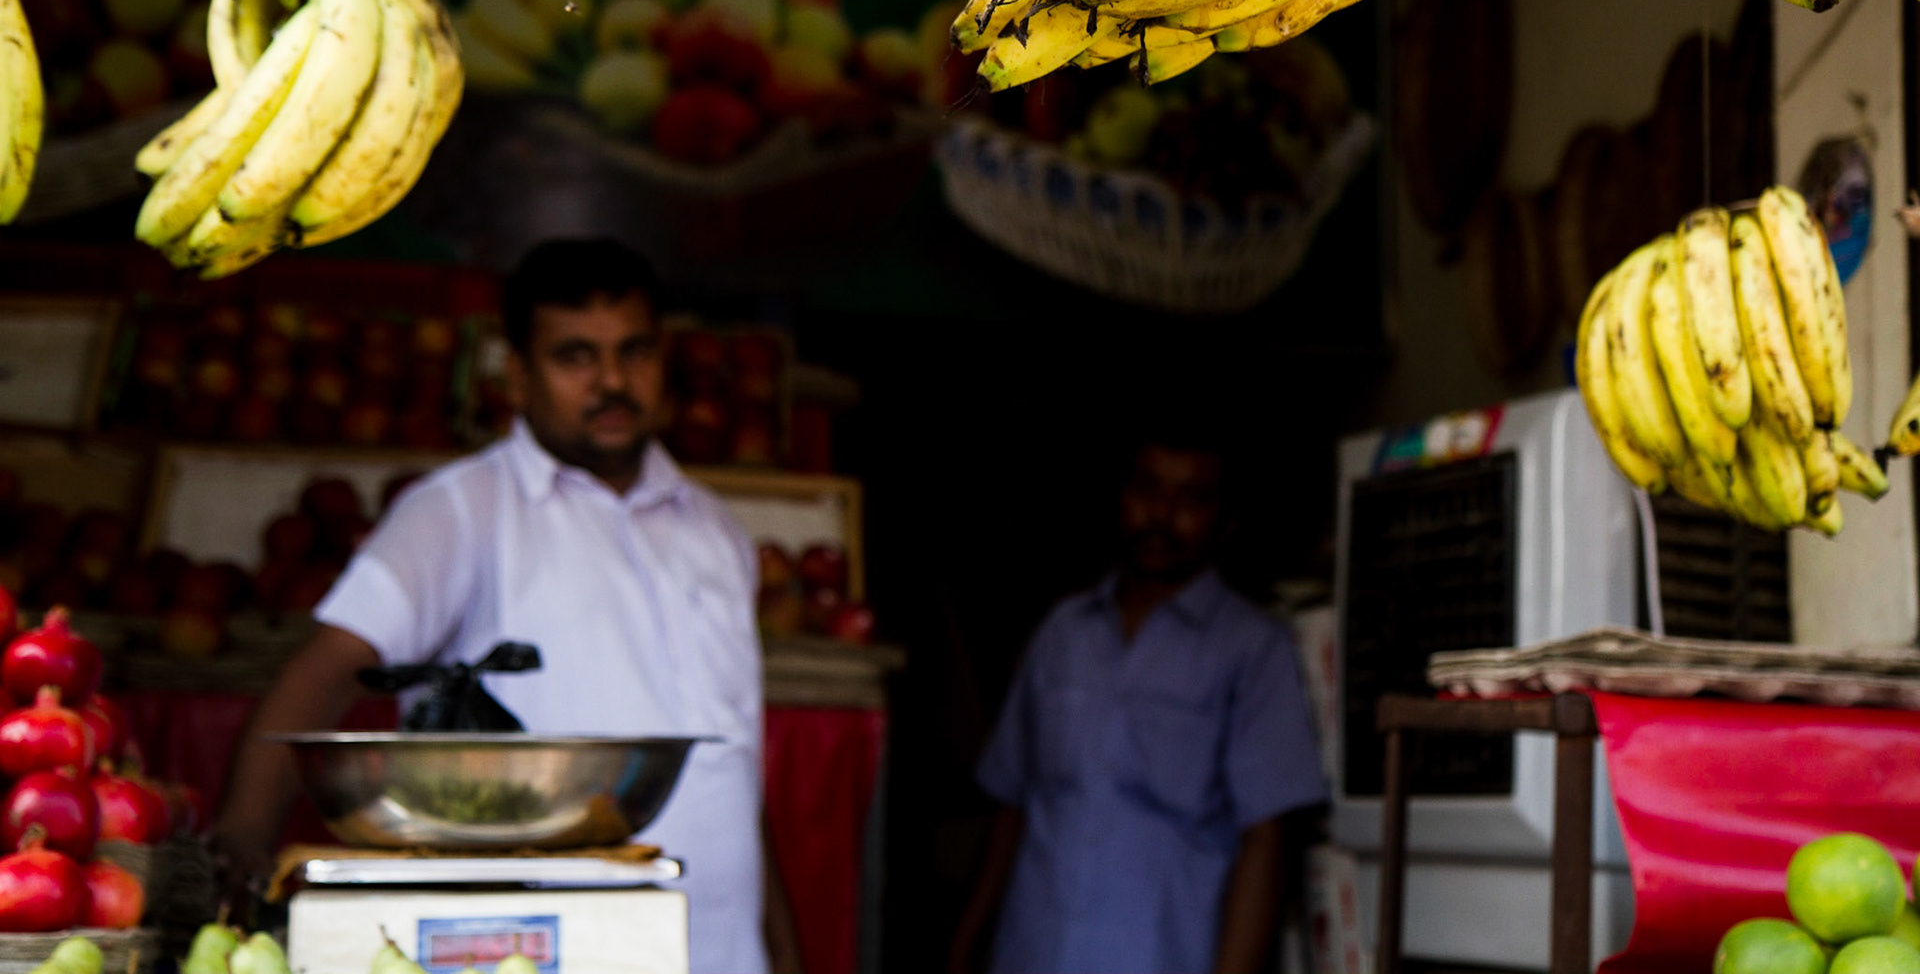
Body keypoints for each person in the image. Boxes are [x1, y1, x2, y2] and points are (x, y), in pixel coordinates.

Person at [211, 238, 803, 974]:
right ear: (518, 376)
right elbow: (328, 668)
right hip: (545, 956)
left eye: (635, 351)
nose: (612, 380)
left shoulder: (718, 532)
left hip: (725, 951)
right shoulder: (459, 511)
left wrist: (779, 947)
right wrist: (242, 838)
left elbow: (732, 763)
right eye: (576, 356)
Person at [947, 439, 1327, 974]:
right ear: (1122, 497)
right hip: (1031, 953)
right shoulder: (1062, 634)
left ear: (1226, 522)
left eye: (1191, 498)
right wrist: (963, 947)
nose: (1162, 515)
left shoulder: (1252, 649)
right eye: (1148, 488)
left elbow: (1265, 839)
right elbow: (1013, 803)